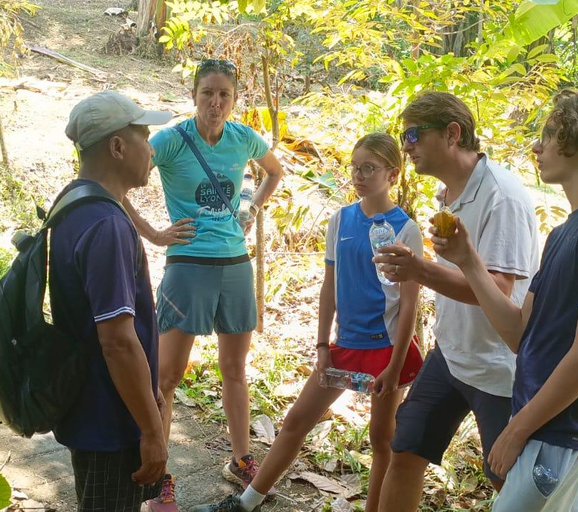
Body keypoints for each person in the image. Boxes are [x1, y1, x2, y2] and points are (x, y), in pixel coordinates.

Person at [432, 92, 578, 511]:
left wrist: (516, 430)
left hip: (559, 431)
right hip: (543, 424)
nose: (537, 147)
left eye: (550, 135)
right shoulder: (568, 231)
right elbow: (519, 334)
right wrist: (469, 262)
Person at [190, 133, 425, 512]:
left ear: (393, 174)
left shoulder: (405, 228)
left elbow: (409, 305)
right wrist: (321, 345)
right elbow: (329, 286)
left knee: (382, 439)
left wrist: (396, 366)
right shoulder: (341, 219)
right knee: (297, 420)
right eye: (355, 166)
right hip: (344, 345)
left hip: (385, 348)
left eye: (370, 168)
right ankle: (246, 503)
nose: (359, 175)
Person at [122, 59, 284, 510]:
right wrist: (154, 234)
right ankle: (159, 478)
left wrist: (250, 208)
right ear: (194, 94)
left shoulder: (242, 137)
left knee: (235, 369)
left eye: (224, 95)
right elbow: (119, 183)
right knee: (167, 377)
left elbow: (274, 170)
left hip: (235, 263)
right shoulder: (172, 140)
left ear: (234, 99)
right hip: (188, 265)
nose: (215, 102)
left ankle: (241, 458)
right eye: (207, 93)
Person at [373, 91, 540, 512]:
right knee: (405, 451)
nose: (406, 145)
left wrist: (422, 270)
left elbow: (498, 290)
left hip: (498, 368)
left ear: (452, 133)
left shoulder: (502, 196)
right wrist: (421, 268)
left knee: (511, 484)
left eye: (413, 134)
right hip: (451, 355)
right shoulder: (449, 193)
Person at [51, 90, 172, 511]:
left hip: (92, 407)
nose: (151, 147)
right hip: (111, 421)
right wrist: (152, 431)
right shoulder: (107, 225)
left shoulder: (73, 202)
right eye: (143, 135)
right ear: (118, 147)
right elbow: (117, 341)